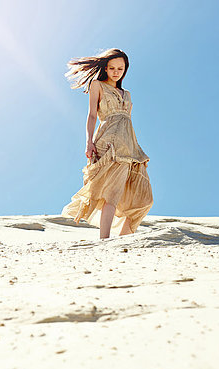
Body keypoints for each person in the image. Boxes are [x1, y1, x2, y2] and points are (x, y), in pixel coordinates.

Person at [61, 48, 153, 239]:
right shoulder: (98, 85)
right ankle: (105, 240)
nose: (116, 72)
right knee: (111, 192)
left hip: (129, 145)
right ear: (106, 68)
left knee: (144, 199)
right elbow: (92, 115)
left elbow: (126, 120)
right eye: (112, 68)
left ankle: (122, 239)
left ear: (125, 69)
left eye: (120, 68)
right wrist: (88, 141)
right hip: (108, 141)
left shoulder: (126, 94)